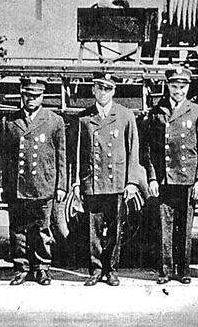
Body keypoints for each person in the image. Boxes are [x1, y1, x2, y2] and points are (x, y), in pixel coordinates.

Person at [0, 75, 67, 286]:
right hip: (17, 184)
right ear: (22, 95)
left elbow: (61, 156)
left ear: (42, 96)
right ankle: (20, 268)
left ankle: (42, 268)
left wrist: (61, 185)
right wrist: (0, 184)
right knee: (18, 228)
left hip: (43, 183)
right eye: (27, 95)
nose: (31, 99)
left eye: (35, 96)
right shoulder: (9, 121)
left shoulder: (55, 120)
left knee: (42, 228)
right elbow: (2, 156)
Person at [143, 66, 198, 285]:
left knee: (185, 226)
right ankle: (165, 270)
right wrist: (152, 177)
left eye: (182, 87)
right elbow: (150, 149)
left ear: (188, 87)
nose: (178, 91)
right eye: (174, 86)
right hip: (164, 180)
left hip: (187, 179)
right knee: (164, 226)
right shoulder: (156, 111)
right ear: (168, 86)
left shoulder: (197, 111)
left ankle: (184, 269)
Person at [74, 72, 140, 286]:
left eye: (108, 88)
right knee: (92, 229)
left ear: (114, 91)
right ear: (93, 89)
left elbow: (133, 151)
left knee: (115, 229)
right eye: (99, 88)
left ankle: (111, 269)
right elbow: (77, 153)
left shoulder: (125, 115)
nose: (103, 92)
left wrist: (132, 181)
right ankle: (95, 269)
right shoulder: (84, 118)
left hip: (117, 181)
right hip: (93, 181)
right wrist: (77, 182)